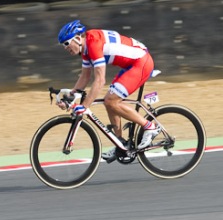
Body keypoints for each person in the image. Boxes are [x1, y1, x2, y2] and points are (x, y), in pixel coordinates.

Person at [56, 19, 161, 163]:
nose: (65, 47)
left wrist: (84, 106)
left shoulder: (93, 44)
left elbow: (100, 80)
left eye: (67, 43)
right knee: (109, 102)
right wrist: (70, 96)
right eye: (63, 45)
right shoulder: (86, 49)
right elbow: (85, 77)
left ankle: (150, 127)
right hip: (130, 65)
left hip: (141, 62)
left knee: (111, 101)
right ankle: (120, 144)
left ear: (77, 38)